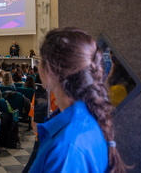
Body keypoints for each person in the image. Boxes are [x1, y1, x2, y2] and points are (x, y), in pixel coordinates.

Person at [26, 27, 129, 173]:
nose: (38, 67)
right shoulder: (85, 115)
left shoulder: (66, 148)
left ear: (52, 70)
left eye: (41, 61)